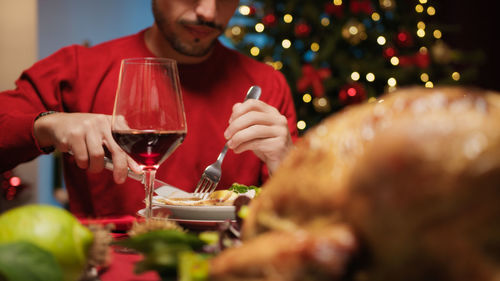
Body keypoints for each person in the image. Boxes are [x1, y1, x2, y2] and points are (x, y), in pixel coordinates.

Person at [0, 0, 298, 218]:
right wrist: (49, 124)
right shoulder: (79, 68)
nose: (208, 12)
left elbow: (301, 217)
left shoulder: (266, 85)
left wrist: (285, 162)